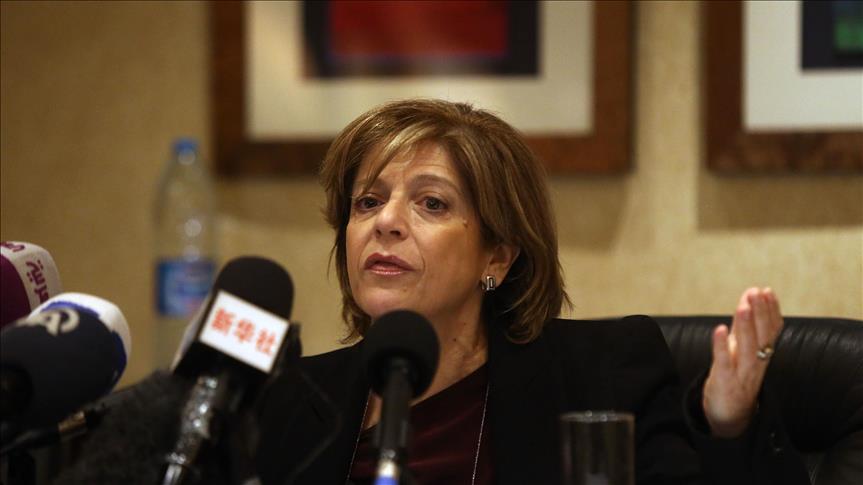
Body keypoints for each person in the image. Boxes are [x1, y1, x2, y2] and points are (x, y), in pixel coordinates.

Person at [253, 99, 810, 484]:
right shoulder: (288, 398)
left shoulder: (604, 376)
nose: (386, 222)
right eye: (368, 202)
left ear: (497, 255)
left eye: (432, 203)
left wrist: (729, 426)